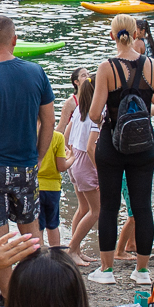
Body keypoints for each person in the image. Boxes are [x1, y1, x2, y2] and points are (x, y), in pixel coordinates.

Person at [0, 16, 58, 302]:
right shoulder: (36, 72)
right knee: (32, 235)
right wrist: (39, 155)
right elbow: (49, 121)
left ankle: (10, 302)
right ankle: (39, 294)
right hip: (26, 165)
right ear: (14, 40)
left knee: (0, 242)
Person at [88, 17, 154, 289]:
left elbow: (93, 113)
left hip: (112, 146)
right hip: (143, 146)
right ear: (137, 33)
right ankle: (143, 271)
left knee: (110, 207)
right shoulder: (153, 66)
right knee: (142, 206)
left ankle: (107, 269)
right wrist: (141, 111)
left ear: (112, 35)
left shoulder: (106, 67)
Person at [64, 74, 102, 266]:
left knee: (83, 207)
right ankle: (72, 249)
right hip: (86, 162)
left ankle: (76, 249)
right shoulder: (97, 114)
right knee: (96, 211)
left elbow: (66, 134)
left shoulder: (80, 109)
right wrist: (101, 174)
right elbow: (91, 147)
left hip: (74, 159)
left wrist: (69, 153)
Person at [37, 118, 71, 251]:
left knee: (37, 225)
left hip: (35, 186)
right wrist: (72, 157)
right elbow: (61, 167)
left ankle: (38, 255)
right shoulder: (57, 137)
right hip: (53, 188)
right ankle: (56, 255)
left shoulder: (30, 135)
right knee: (53, 224)